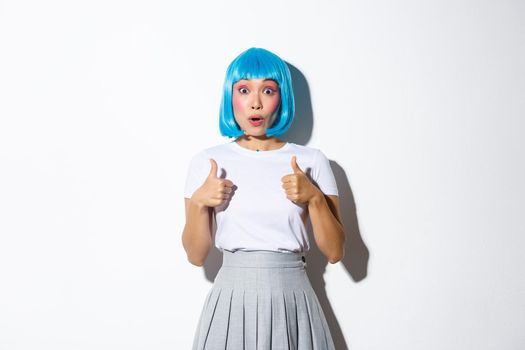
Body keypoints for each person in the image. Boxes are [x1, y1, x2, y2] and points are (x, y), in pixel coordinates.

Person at [182, 47, 345, 349]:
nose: (255, 103)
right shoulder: (207, 162)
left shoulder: (312, 160)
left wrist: (315, 199)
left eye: (267, 90)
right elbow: (196, 256)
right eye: (244, 90)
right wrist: (199, 203)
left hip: (293, 295)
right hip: (231, 298)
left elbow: (335, 252)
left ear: (281, 98)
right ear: (230, 98)